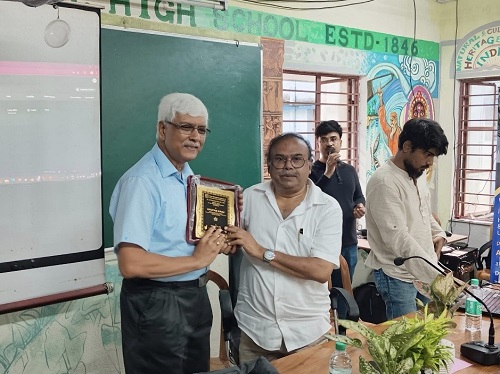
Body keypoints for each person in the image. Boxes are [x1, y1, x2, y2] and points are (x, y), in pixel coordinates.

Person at [109, 93, 233, 374]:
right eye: (186, 127)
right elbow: (131, 264)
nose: (195, 137)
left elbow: (181, 242)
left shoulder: (190, 179)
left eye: (201, 130)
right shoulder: (142, 181)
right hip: (157, 301)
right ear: (163, 129)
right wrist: (197, 260)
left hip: (194, 296)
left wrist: (217, 243)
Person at [225, 133, 343, 363]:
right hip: (256, 329)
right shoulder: (249, 197)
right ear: (269, 166)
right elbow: (232, 239)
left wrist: (262, 252)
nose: (288, 166)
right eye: (279, 159)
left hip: (307, 333)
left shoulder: (327, 208)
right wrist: (226, 243)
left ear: (310, 165)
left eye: (297, 159)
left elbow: (320, 271)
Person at [364, 118, 449, 320]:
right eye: (427, 154)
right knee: (405, 341)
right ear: (407, 146)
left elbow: (424, 213)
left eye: (433, 157)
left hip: (424, 272)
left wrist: (438, 234)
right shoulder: (385, 181)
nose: (430, 163)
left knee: (426, 336)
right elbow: (398, 238)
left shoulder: (416, 174)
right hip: (397, 276)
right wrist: (437, 276)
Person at [310, 120, 366, 285]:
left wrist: (360, 206)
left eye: (333, 139)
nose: (329, 143)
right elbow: (312, 199)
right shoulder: (310, 172)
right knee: (322, 292)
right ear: (318, 143)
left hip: (348, 241)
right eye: (324, 140)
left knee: (345, 291)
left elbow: (358, 196)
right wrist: (328, 172)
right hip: (321, 244)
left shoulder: (349, 170)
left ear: (340, 142)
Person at [377, 87, 401, 155]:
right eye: (390, 120)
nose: (392, 122)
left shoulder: (401, 132)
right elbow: (382, 120)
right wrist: (380, 98)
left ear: (396, 120)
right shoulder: (389, 130)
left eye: (393, 120)